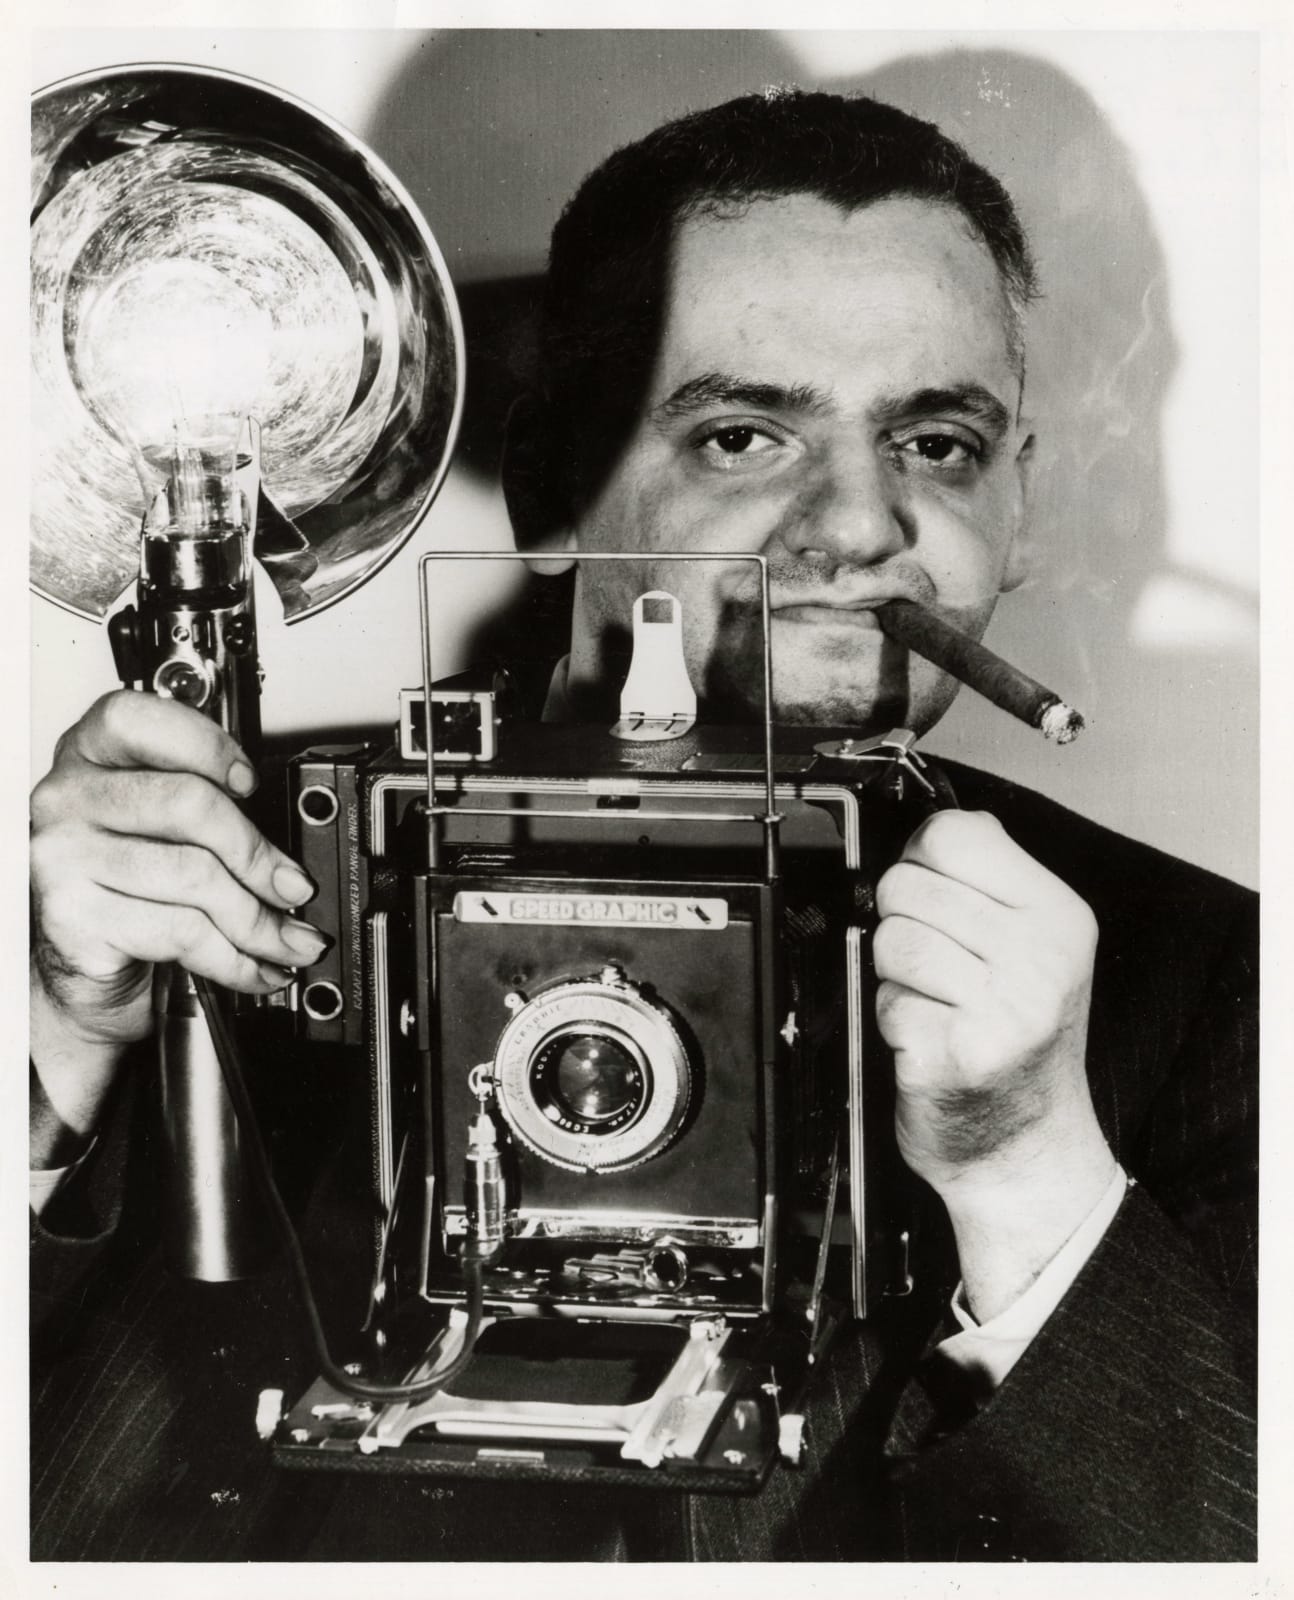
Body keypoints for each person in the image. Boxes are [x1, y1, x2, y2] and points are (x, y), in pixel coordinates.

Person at [29, 89, 1256, 1562]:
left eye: (935, 443)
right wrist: (52, 1061)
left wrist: (1029, 1175)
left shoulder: (1209, 984)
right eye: (743, 435)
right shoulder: (235, 863)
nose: (858, 526)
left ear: (1016, 503)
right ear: (552, 486)